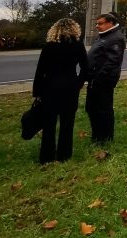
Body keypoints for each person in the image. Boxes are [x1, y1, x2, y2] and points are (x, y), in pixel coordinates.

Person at [32, 18, 88, 165]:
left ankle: (46, 156)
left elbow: (40, 71)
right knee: (67, 123)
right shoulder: (78, 46)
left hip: (50, 86)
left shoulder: (49, 46)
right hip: (70, 85)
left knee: (49, 123)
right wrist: (79, 83)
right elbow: (85, 68)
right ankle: (64, 155)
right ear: (74, 29)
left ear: (55, 29)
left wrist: (37, 92)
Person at [85, 13, 126, 146]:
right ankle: (97, 135)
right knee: (92, 108)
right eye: (97, 23)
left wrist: (99, 77)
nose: (97, 26)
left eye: (100, 23)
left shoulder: (115, 38)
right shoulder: (105, 36)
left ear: (110, 23)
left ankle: (105, 137)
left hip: (104, 80)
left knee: (103, 109)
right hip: (95, 78)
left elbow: (112, 62)